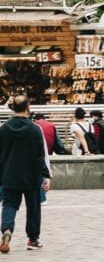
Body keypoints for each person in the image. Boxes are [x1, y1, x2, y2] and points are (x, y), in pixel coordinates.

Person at [0, 95, 50, 253]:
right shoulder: (35, 129)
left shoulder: (4, 128)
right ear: (28, 107)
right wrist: (46, 175)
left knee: (9, 204)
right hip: (32, 175)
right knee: (33, 207)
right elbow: (40, 155)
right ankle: (32, 239)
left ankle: (7, 229)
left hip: (9, 174)